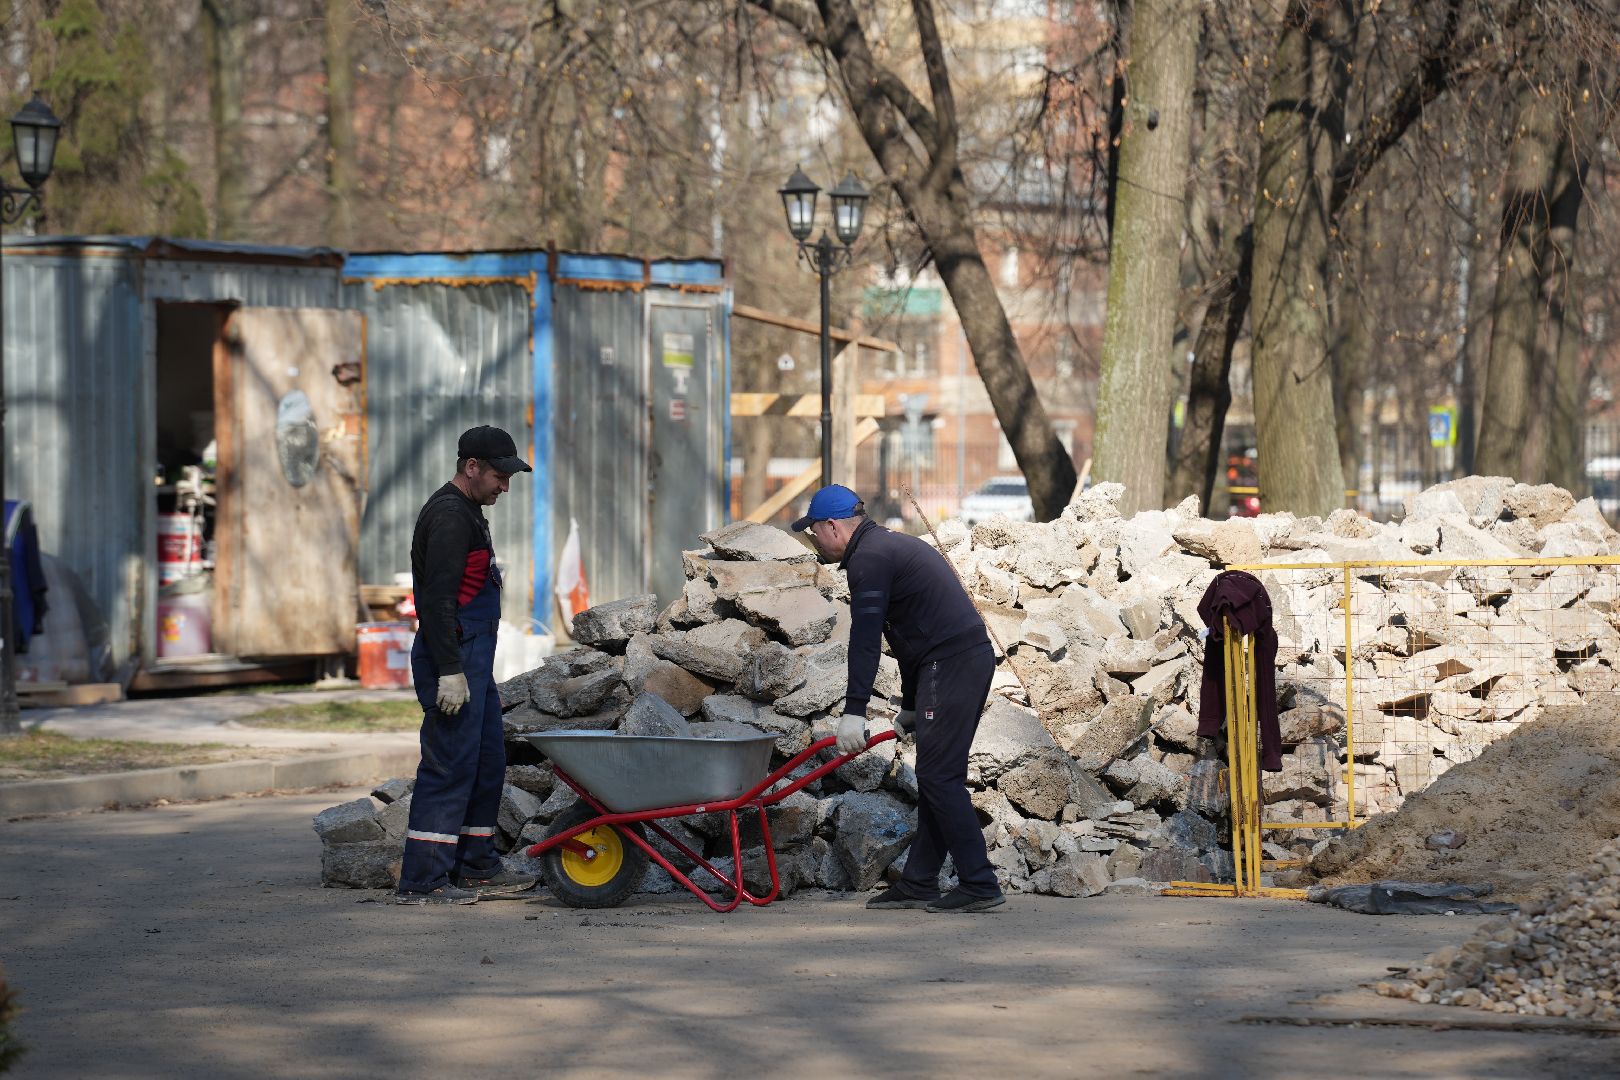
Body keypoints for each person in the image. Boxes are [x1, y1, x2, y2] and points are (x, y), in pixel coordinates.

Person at [793, 484, 1005, 913]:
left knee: (939, 778)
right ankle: (920, 882)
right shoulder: (881, 548)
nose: (812, 539)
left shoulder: (869, 560)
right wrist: (910, 703)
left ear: (833, 525)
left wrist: (854, 712)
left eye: (813, 530)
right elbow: (907, 640)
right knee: (936, 776)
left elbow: (867, 641)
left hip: (953, 664)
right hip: (949, 663)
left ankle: (980, 883)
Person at [395, 426, 539, 905]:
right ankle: (424, 880)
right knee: (449, 764)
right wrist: (449, 670)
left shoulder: (470, 512)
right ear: (470, 467)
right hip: (451, 658)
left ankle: (476, 865)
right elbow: (436, 602)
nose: (505, 486)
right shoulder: (450, 517)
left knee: (485, 759)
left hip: (472, 658)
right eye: (499, 476)